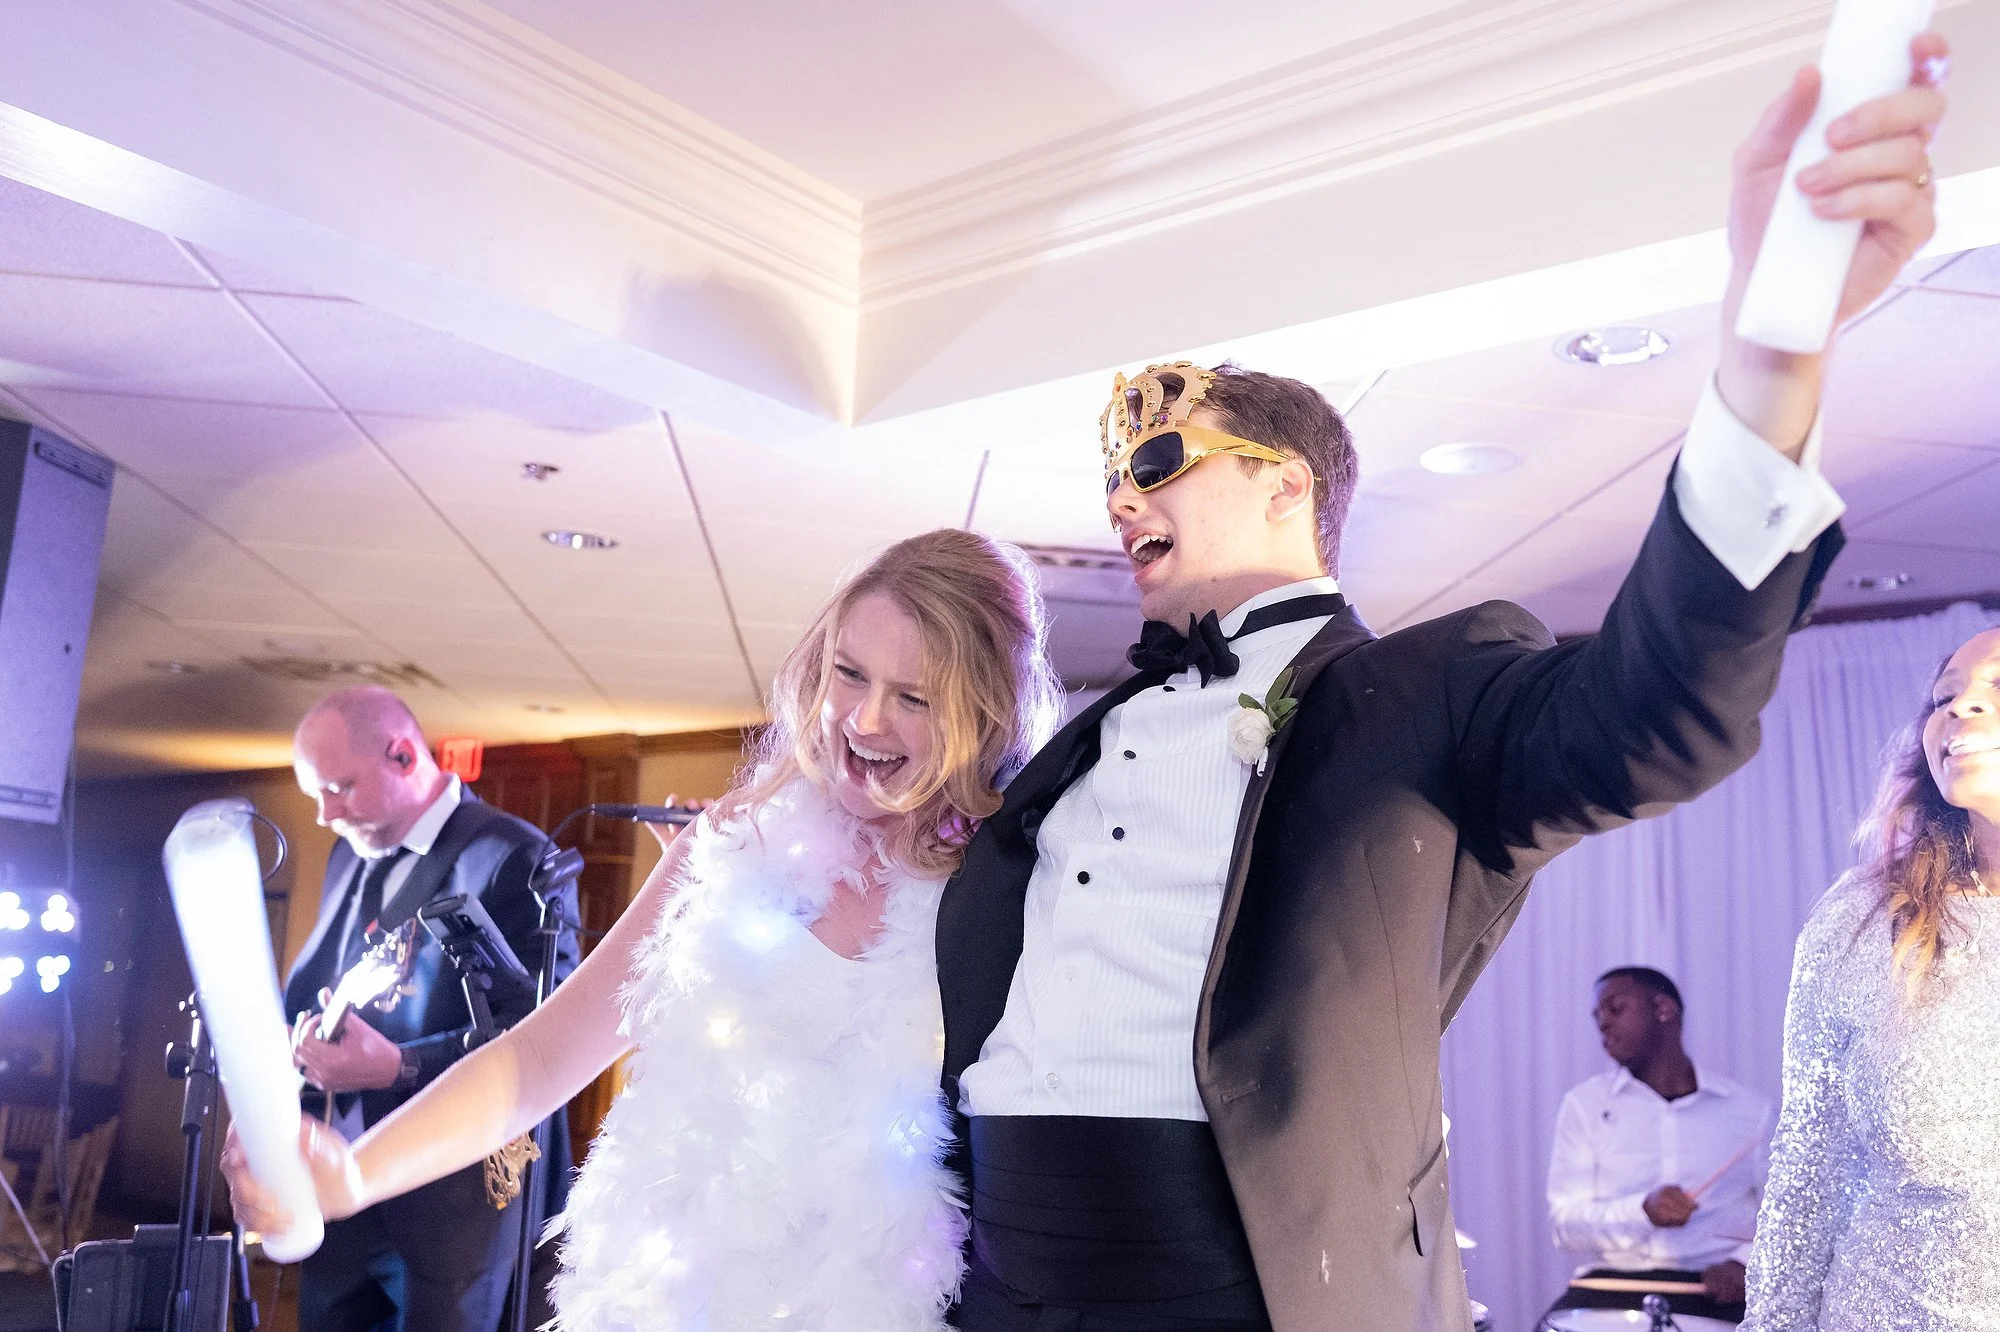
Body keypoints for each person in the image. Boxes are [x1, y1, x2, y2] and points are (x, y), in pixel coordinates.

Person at [936, 38, 1950, 1332]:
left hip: (1253, 1292)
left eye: (1162, 458)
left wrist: (1772, 347)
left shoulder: (1427, 693)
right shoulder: (1074, 750)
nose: (1124, 495)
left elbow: (1662, 711)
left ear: (1285, 485)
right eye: (1113, 478)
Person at [227, 529, 1064, 1331]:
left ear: (984, 715)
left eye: (913, 698)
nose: (863, 722)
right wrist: (355, 1174)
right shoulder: (734, 847)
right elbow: (535, 1061)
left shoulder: (1013, 895)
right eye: (849, 673)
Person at [282, 685, 579, 1331]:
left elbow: (543, 1033)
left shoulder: (514, 856)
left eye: (339, 788)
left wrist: (399, 1066)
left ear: (403, 756)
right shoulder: (346, 853)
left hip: (457, 1191)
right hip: (342, 1171)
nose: (325, 814)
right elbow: (317, 980)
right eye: (317, 795)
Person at [1742, 626, 2000, 1331]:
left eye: (1996, 688)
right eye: (1945, 697)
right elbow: (1807, 1172)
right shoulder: (1867, 919)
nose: (1959, 709)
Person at [1545, 967, 1771, 1325]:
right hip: (1611, 1285)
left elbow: (1787, 1217)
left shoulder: (1751, 1112)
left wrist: (1745, 1262)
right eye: (1597, 1015)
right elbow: (1565, 1224)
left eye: (1615, 1008)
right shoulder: (1583, 1105)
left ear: (1663, 1010)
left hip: (1711, 1288)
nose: (1602, 1023)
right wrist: (1641, 1209)